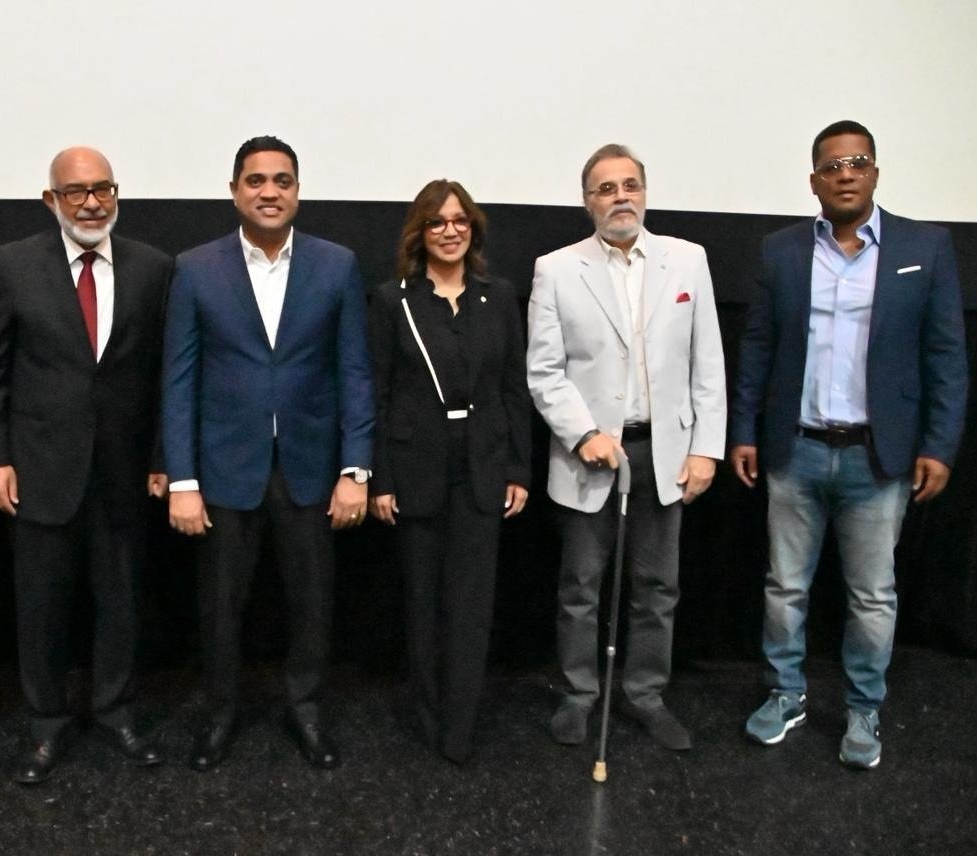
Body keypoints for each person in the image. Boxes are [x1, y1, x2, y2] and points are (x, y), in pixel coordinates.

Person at [730, 120, 966, 770]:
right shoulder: (781, 251)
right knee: (785, 587)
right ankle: (785, 693)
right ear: (814, 181)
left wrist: (940, 446)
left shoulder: (926, 247)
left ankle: (864, 708)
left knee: (872, 596)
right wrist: (744, 430)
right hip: (796, 449)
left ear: (875, 173)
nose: (846, 174)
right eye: (832, 166)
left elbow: (946, 356)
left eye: (857, 162)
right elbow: (758, 348)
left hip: (878, 457)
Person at [162, 135, 374, 771]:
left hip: (312, 466)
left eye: (282, 180)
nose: (269, 191)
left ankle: (305, 709)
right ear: (234, 191)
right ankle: (220, 713)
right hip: (224, 467)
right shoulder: (195, 268)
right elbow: (179, 380)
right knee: (221, 604)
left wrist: (355, 468)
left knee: (312, 601)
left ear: (298, 192)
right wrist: (182, 479)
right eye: (255, 181)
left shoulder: (337, 265)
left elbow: (355, 372)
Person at [0, 147, 173, 784]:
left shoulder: (153, 268)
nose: (91, 203)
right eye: (76, 192)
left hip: (124, 469)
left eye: (103, 189)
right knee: (41, 607)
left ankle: (116, 712)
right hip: (38, 469)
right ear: (50, 200)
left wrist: (163, 456)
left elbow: (166, 375)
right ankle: (46, 725)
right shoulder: (11, 266)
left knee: (122, 601)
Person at [526, 143, 726, 752]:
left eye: (630, 185)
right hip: (590, 455)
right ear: (588, 201)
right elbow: (544, 371)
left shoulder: (687, 260)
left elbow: (707, 364)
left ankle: (645, 694)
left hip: (664, 454)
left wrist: (706, 449)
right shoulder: (556, 269)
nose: (621, 197)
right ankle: (579, 695)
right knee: (580, 588)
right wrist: (583, 433)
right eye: (606, 188)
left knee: (657, 588)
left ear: (644, 191)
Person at [368, 179, 531, 764]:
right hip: (415, 473)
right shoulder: (392, 301)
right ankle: (430, 719)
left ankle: (460, 728)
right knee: (423, 605)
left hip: (482, 472)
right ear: (420, 232)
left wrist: (518, 469)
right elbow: (379, 393)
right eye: (437, 222)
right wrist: (380, 478)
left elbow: (514, 388)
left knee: (471, 607)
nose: (450, 231)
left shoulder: (499, 296)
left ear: (474, 229)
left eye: (460, 220)